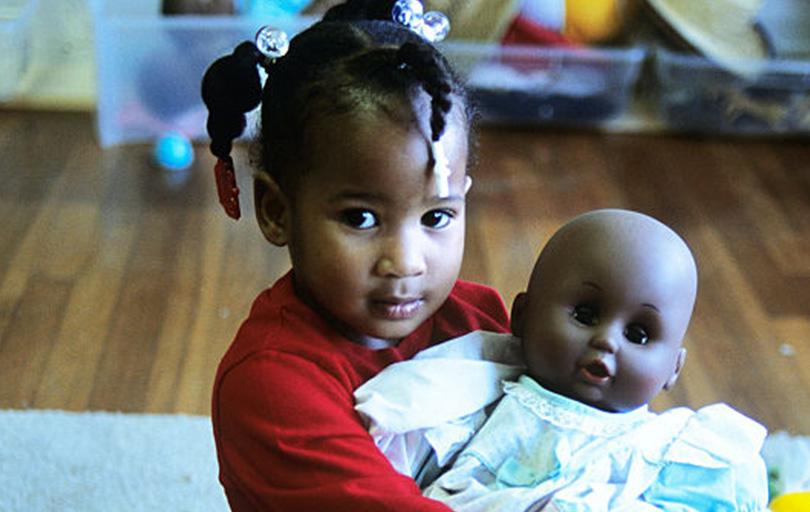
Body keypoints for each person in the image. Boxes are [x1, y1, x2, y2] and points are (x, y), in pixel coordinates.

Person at [200, 1, 510, 510]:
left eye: (436, 217)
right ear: (277, 211)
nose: (406, 262)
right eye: (361, 218)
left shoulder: (479, 321)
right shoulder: (271, 386)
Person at [356, 209, 770, 511]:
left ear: (672, 369)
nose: (607, 340)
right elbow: (396, 465)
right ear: (522, 317)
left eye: (638, 334)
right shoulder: (475, 399)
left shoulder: (671, 454)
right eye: (585, 315)